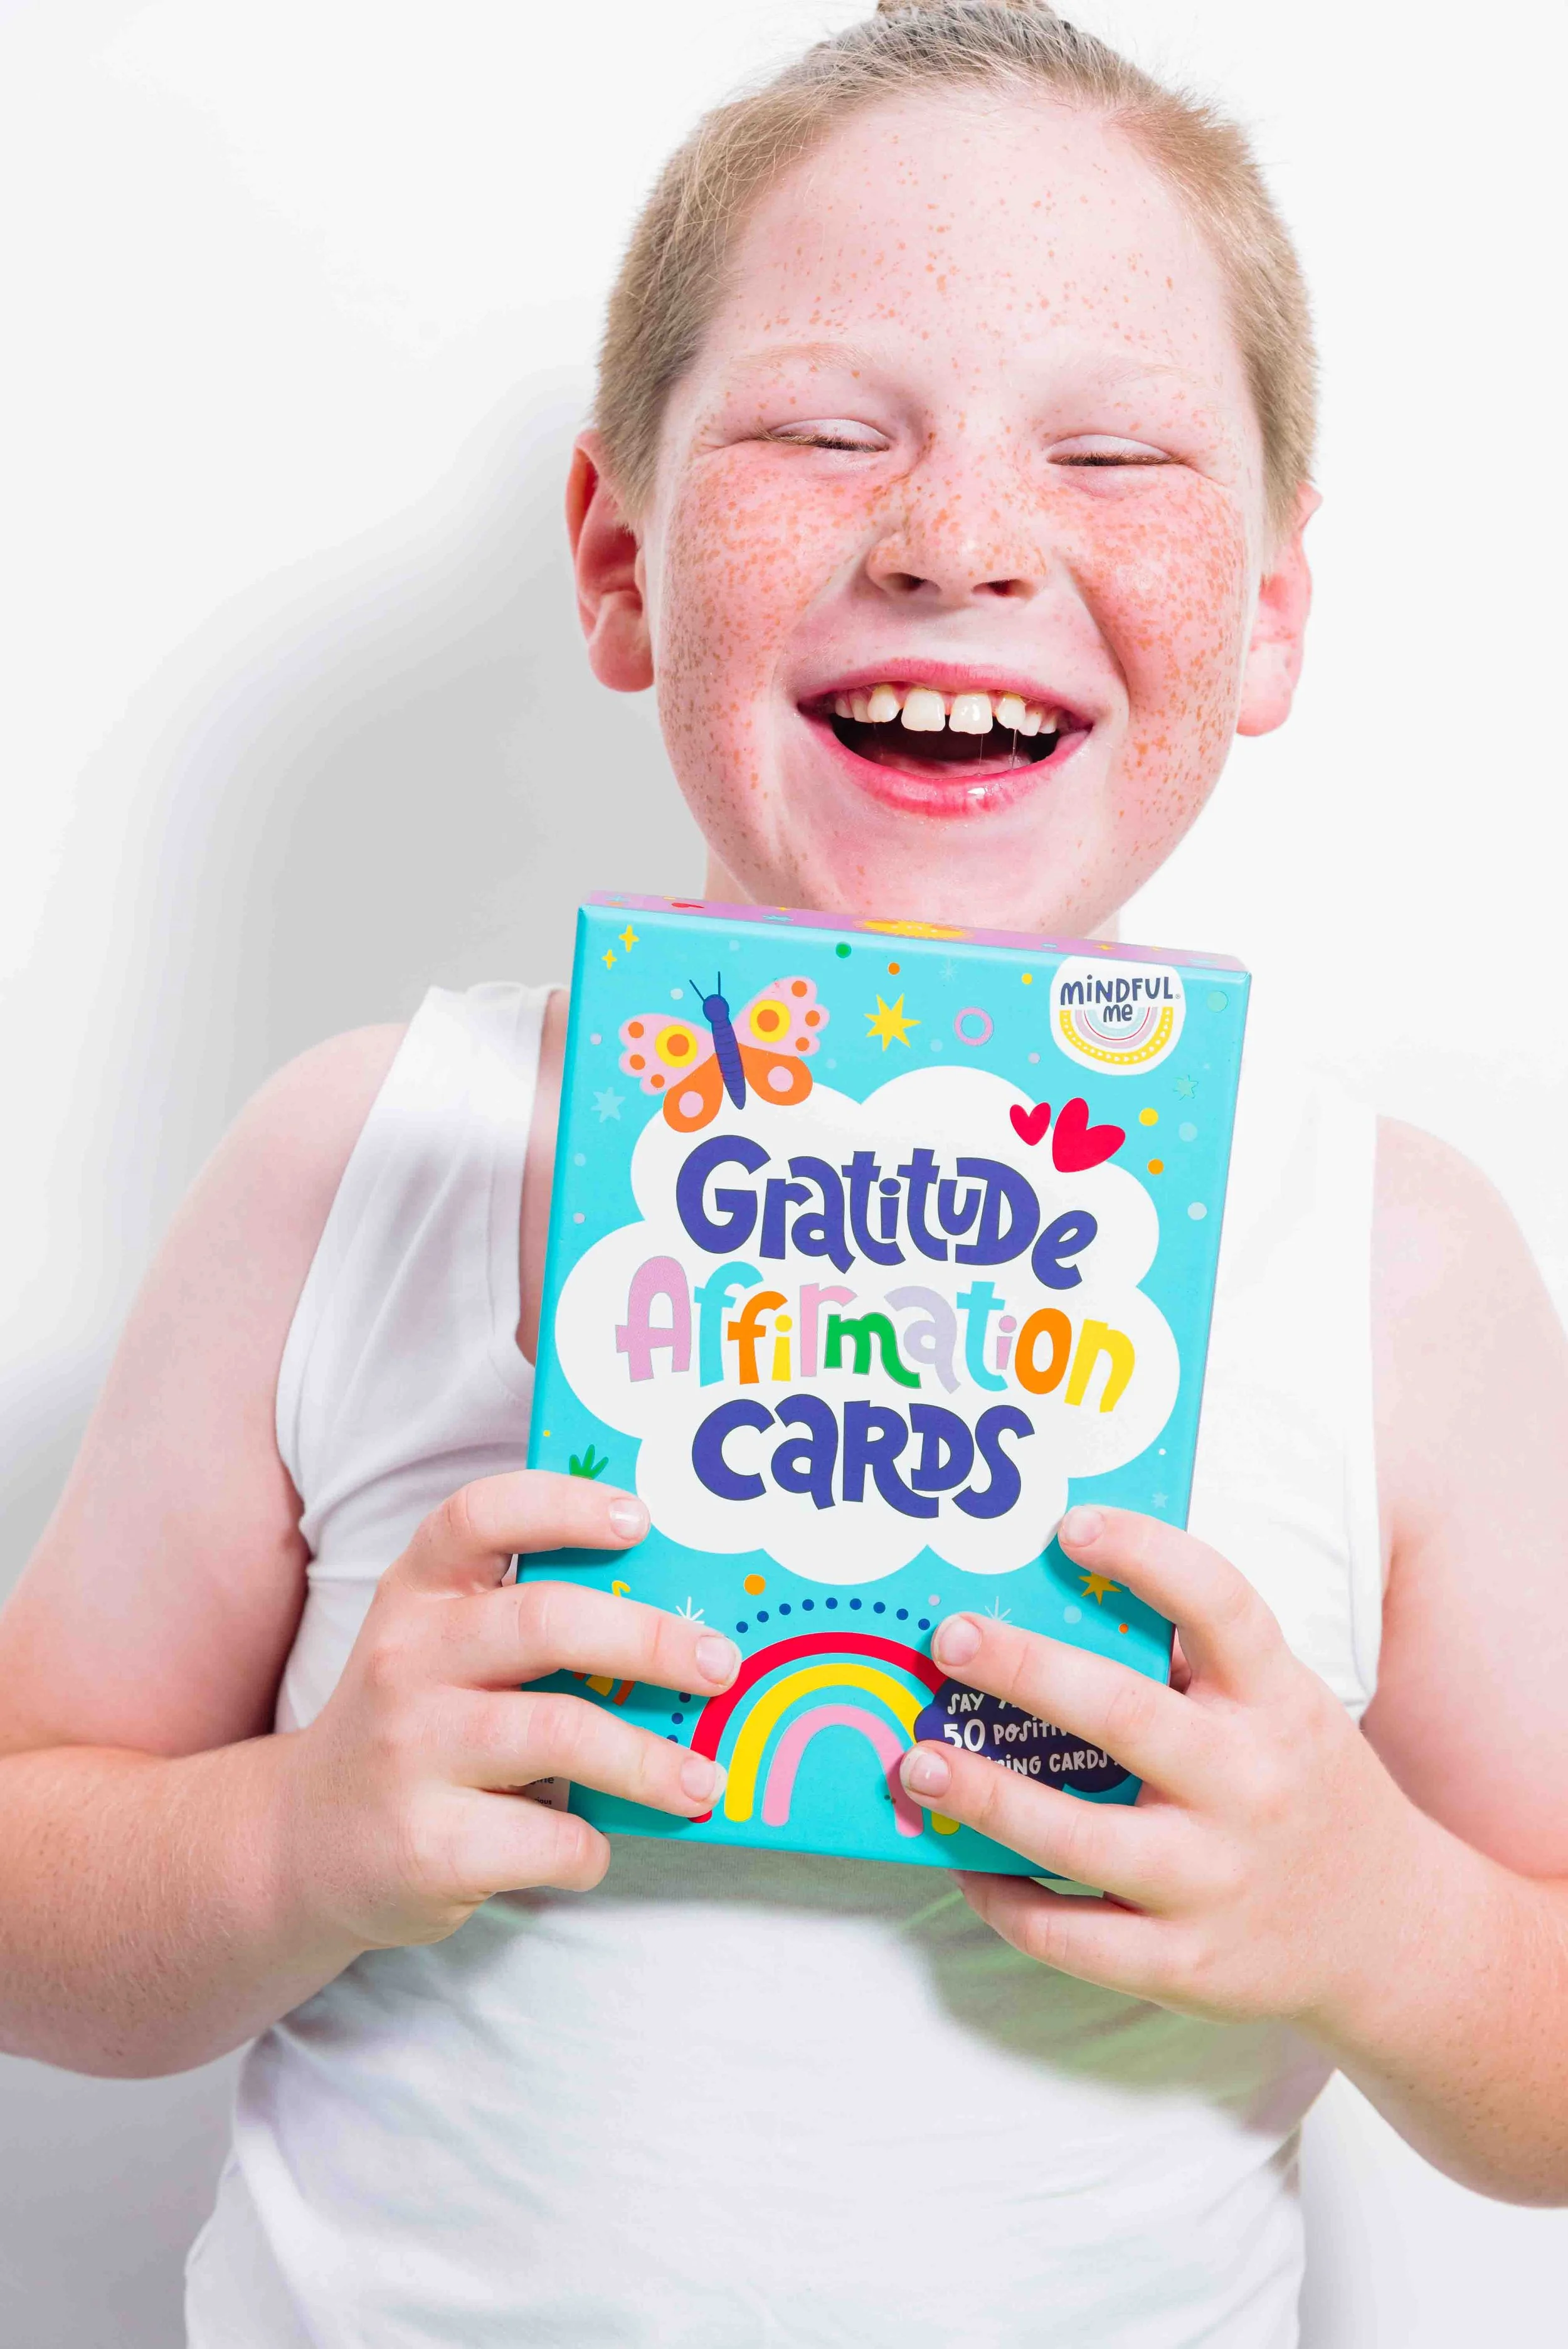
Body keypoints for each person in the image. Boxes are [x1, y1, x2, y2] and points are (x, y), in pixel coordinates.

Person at [3, 3, 1565, 2343]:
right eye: (829, 434)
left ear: (1265, 608)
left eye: (1113, 453)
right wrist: (297, 1834)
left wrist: (1377, 1923)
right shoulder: (364, 1155)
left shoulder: (1388, 1261)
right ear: (619, 558)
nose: (958, 542)